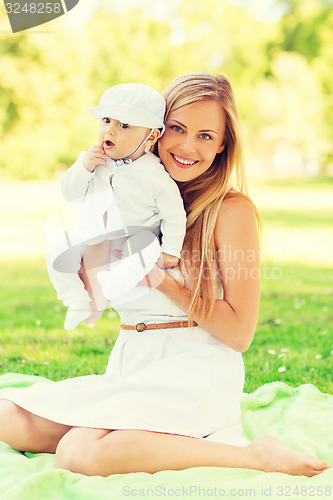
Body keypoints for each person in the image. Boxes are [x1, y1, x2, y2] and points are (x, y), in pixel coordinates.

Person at [0, 73, 330, 478]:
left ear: (223, 145)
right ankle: (145, 441)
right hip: (133, 360)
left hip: (194, 367)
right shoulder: (130, 196)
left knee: (79, 453)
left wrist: (161, 280)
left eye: (206, 136)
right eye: (177, 128)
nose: (188, 146)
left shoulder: (231, 211)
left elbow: (240, 333)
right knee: (10, 418)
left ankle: (257, 456)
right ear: (153, 130)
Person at [46, 82, 186, 330]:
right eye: (107, 120)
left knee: (147, 249)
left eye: (124, 125)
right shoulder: (93, 160)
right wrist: (83, 168)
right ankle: (75, 299)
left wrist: (172, 251)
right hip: (93, 236)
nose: (110, 131)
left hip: (132, 240)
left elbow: (175, 216)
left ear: (151, 136)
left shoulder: (155, 176)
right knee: (58, 248)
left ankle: (116, 282)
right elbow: (69, 193)